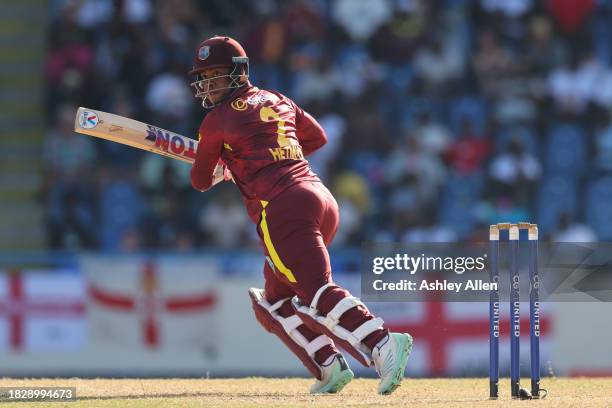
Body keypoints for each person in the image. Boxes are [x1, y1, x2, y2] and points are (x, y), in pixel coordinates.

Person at [189, 35, 413, 395]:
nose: (210, 83)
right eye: (205, 77)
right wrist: (254, 157)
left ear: (237, 72)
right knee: (273, 302)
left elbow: (200, 180)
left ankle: (382, 341)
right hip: (320, 198)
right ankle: (329, 366)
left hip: (281, 208)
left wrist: (229, 166)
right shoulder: (278, 99)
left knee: (316, 291)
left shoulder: (216, 121)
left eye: (216, 74)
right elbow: (318, 138)